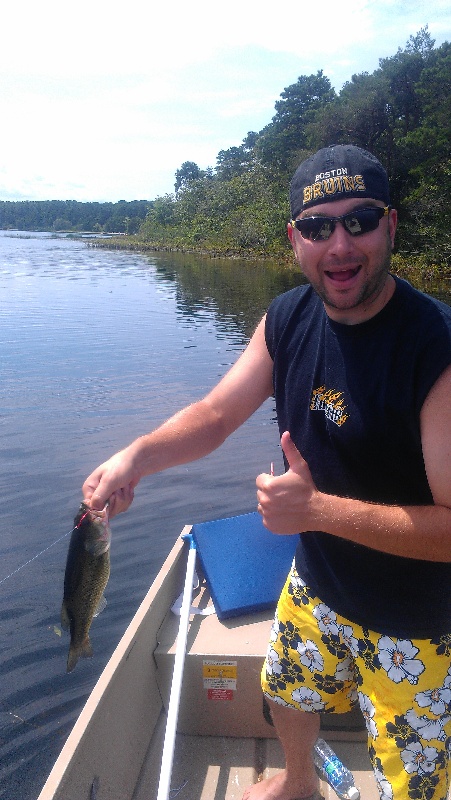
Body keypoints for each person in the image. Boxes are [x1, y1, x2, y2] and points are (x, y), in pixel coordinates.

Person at [83, 144, 451, 800]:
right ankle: (298, 782)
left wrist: (315, 513)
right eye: (317, 227)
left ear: (390, 225)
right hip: (316, 582)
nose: (338, 244)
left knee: (415, 783)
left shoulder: (434, 348)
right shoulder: (287, 318)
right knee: (286, 692)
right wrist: (134, 457)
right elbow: (217, 414)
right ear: (293, 239)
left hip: (415, 621)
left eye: (358, 221)